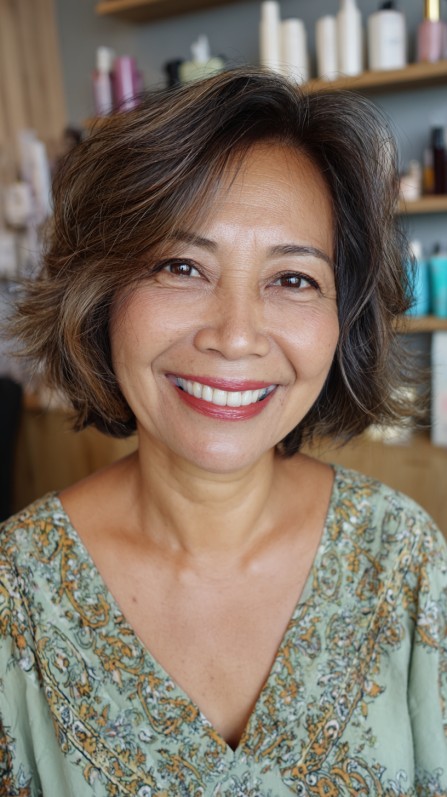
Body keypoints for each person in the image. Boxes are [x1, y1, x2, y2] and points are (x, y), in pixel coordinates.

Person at [0, 68, 446, 797]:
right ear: (103, 294)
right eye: (182, 267)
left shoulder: (401, 558)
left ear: (344, 319)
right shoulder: (15, 593)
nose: (236, 336)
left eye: (293, 279)